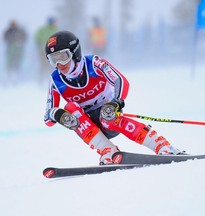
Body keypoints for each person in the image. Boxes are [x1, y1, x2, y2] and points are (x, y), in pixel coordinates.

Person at [44, 30, 184, 165]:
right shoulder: (55, 80)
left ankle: (160, 145)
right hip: (86, 124)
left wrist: (116, 102)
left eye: (63, 57)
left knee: (106, 115)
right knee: (70, 109)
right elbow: (47, 119)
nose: (59, 64)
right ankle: (108, 151)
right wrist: (57, 114)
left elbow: (121, 81)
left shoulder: (93, 63)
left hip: (109, 115)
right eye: (53, 60)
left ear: (75, 53)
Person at [35, 17, 58, 82]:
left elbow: (37, 39)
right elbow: (37, 39)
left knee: (49, 65)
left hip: (50, 51)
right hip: (46, 51)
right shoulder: (44, 29)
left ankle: (49, 79)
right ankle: (42, 79)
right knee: (48, 65)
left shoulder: (55, 29)